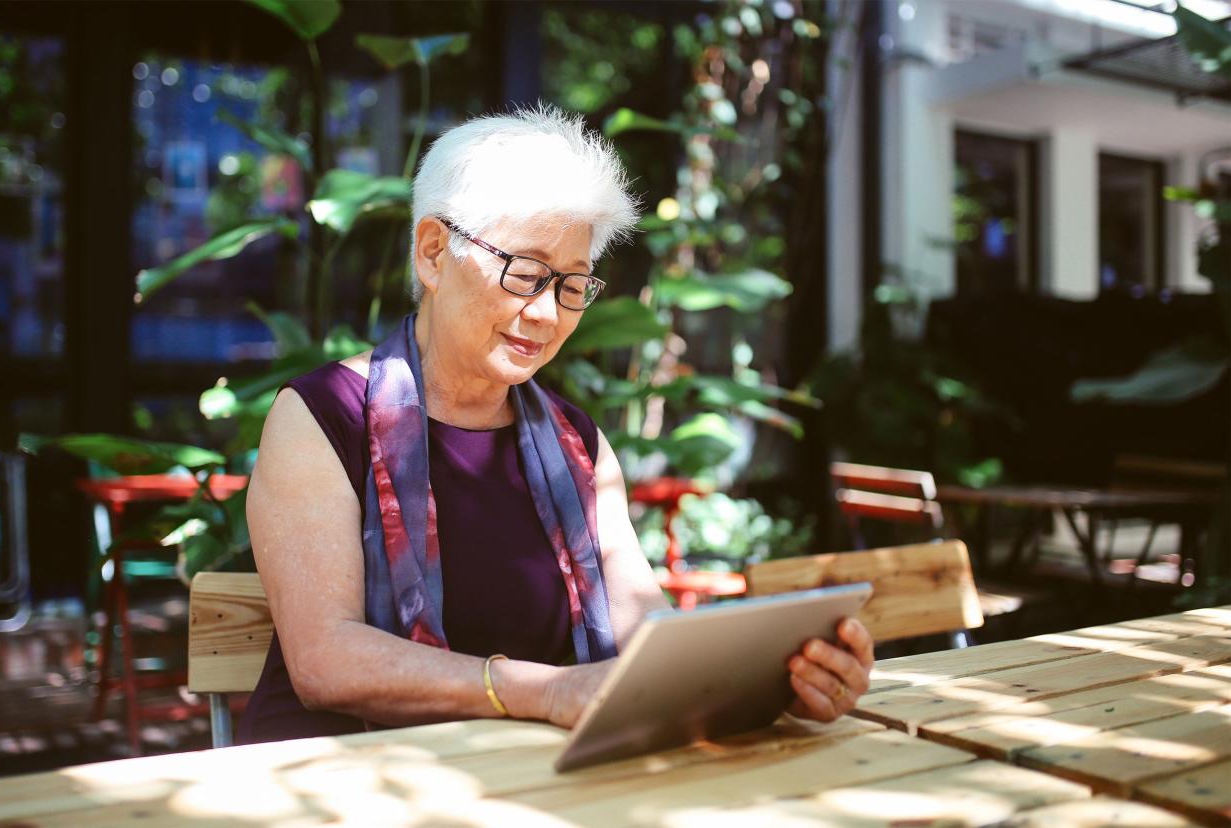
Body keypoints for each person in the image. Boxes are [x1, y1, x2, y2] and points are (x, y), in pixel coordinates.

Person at [239, 105, 874, 743]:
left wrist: (777, 681)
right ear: (434, 253)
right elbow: (327, 662)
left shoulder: (578, 447)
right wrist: (547, 691)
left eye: (572, 285)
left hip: (521, 781)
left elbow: (643, 631)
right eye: (525, 273)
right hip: (346, 780)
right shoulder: (322, 417)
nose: (547, 314)